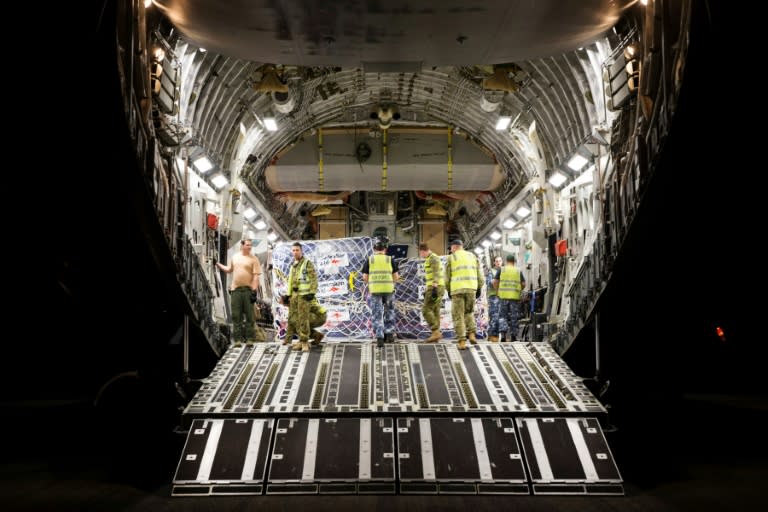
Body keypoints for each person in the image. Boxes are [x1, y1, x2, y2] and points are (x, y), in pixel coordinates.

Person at [216, 239, 262, 343]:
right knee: (236, 316)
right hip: (235, 290)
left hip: (248, 291)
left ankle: (250, 339)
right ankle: (237, 340)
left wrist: (254, 291)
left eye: (250, 245)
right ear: (242, 246)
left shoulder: (254, 259)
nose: (249, 247)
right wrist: (218, 265)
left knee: (250, 316)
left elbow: (256, 277)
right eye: (247, 245)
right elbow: (229, 269)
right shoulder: (235, 257)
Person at [444, 239, 483, 350]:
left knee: (458, 315)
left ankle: (461, 341)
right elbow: (480, 275)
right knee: (469, 312)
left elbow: (447, 277)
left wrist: (448, 289)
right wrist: (479, 287)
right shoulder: (472, 256)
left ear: (455, 247)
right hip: (471, 289)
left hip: (457, 290)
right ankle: (472, 334)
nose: (451, 251)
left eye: (451, 248)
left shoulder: (452, 258)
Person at [362, 236, 399, 348]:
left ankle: (379, 338)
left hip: (375, 291)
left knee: (377, 313)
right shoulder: (390, 259)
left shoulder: (370, 259)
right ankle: (389, 335)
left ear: (374, 248)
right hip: (388, 290)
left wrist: (373, 283)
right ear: (385, 249)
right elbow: (396, 277)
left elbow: (365, 277)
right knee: (389, 311)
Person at [285, 242, 319, 352]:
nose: (295, 252)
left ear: (301, 251)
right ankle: (298, 340)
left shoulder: (307, 263)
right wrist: (288, 294)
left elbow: (313, 278)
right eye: (293, 250)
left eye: (297, 250)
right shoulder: (293, 264)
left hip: (304, 295)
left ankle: (305, 342)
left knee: (303, 319)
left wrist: (312, 292)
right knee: (294, 319)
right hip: (294, 296)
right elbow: (290, 280)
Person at [493, 254, 526, 342]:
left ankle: (503, 336)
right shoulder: (518, 270)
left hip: (503, 297)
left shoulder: (502, 269)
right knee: (514, 316)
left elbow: (495, 282)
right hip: (514, 298)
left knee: (503, 316)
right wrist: (518, 289)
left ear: (506, 261)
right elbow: (523, 284)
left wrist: (497, 291)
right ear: (514, 261)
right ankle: (514, 336)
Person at [418, 243, 444, 343]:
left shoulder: (433, 258)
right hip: (436, 286)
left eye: (421, 253)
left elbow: (436, 272)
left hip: (436, 287)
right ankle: (435, 335)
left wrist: (434, 287)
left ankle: (435, 331)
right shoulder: (430, 258)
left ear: (423, 251)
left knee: (426, 310)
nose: (421, 256)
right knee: (435, 310)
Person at [486, 255, 503, 342]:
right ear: (494, 263)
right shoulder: (491, 272)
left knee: (500, 317)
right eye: (496, 261)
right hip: (494, 297)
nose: (498, 263)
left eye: (500, 261)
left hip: (502, 297)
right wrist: (497, 282)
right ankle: (493, 335)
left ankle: (492, 334)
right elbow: (489, 283)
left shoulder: (504, 271)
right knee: (494, 316)